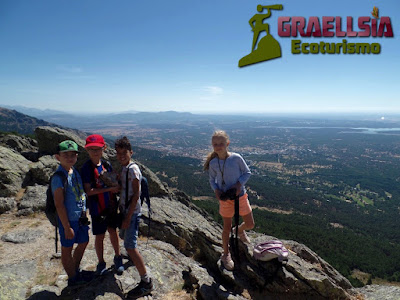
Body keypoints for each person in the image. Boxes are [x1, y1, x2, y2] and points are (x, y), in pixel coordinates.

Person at [204, 130, 255, 271]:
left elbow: (247, 172)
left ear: (227, 143)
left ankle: (239, 230)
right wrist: (216, 190)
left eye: (221, 143)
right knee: (226, 228)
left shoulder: (236, 158)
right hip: (225, 199)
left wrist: (238, 185)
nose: (218, 146)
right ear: (212, 145)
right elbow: (212, 180)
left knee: (250, 224)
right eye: (215, 144)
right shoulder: (214, 163)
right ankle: (226, 254)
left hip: (240, 197)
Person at [115, 136, 153, 299]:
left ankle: (147, 282)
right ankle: (132, 259)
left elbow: (136, 194)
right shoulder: (125, 168)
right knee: (125, 239)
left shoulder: (132, 169)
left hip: (131, 212)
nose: (121, 155)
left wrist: (127, 217)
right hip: (126, 211)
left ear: (131, 152)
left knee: (130, 245)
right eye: (118, 153)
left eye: (125, 152)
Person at [80, 134, 124, 276]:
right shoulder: (86, 168)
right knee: (99, 236)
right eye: (91, 149)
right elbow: (89, 191)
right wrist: (110, 189)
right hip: (97, 208)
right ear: (87, 150)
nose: (95, 152)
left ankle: (118, 257)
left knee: (113, 231)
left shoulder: (106, 165)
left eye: (97, 149)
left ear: (103, 149)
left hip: (110, 206)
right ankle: (101, 262)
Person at [52, 140, 90, 286]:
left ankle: (75, 270)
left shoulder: (74, 171)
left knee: (83, 242)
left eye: (73, 155)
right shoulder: (58, 177)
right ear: (57, 157)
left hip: (80, 218)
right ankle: (73, 279)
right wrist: (67, 227)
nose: (70, 158)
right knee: (67, 249)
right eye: (65, 155)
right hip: (68, 220)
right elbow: (59, 204)